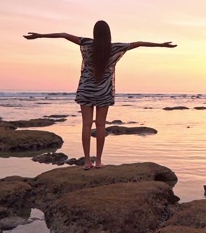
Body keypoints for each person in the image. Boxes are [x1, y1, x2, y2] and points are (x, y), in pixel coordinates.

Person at [23, 20, 176, 170]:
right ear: (108, 34)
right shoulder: (115, 48)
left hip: (86, 89)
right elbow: (139, 43)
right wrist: (161, 45)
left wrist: (40, 35)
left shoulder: (86, 43)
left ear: (94, 33)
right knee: (101, 125)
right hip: (104, 91)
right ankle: (99, 161)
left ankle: (87, 162)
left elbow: (63, 34)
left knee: (86, 125)